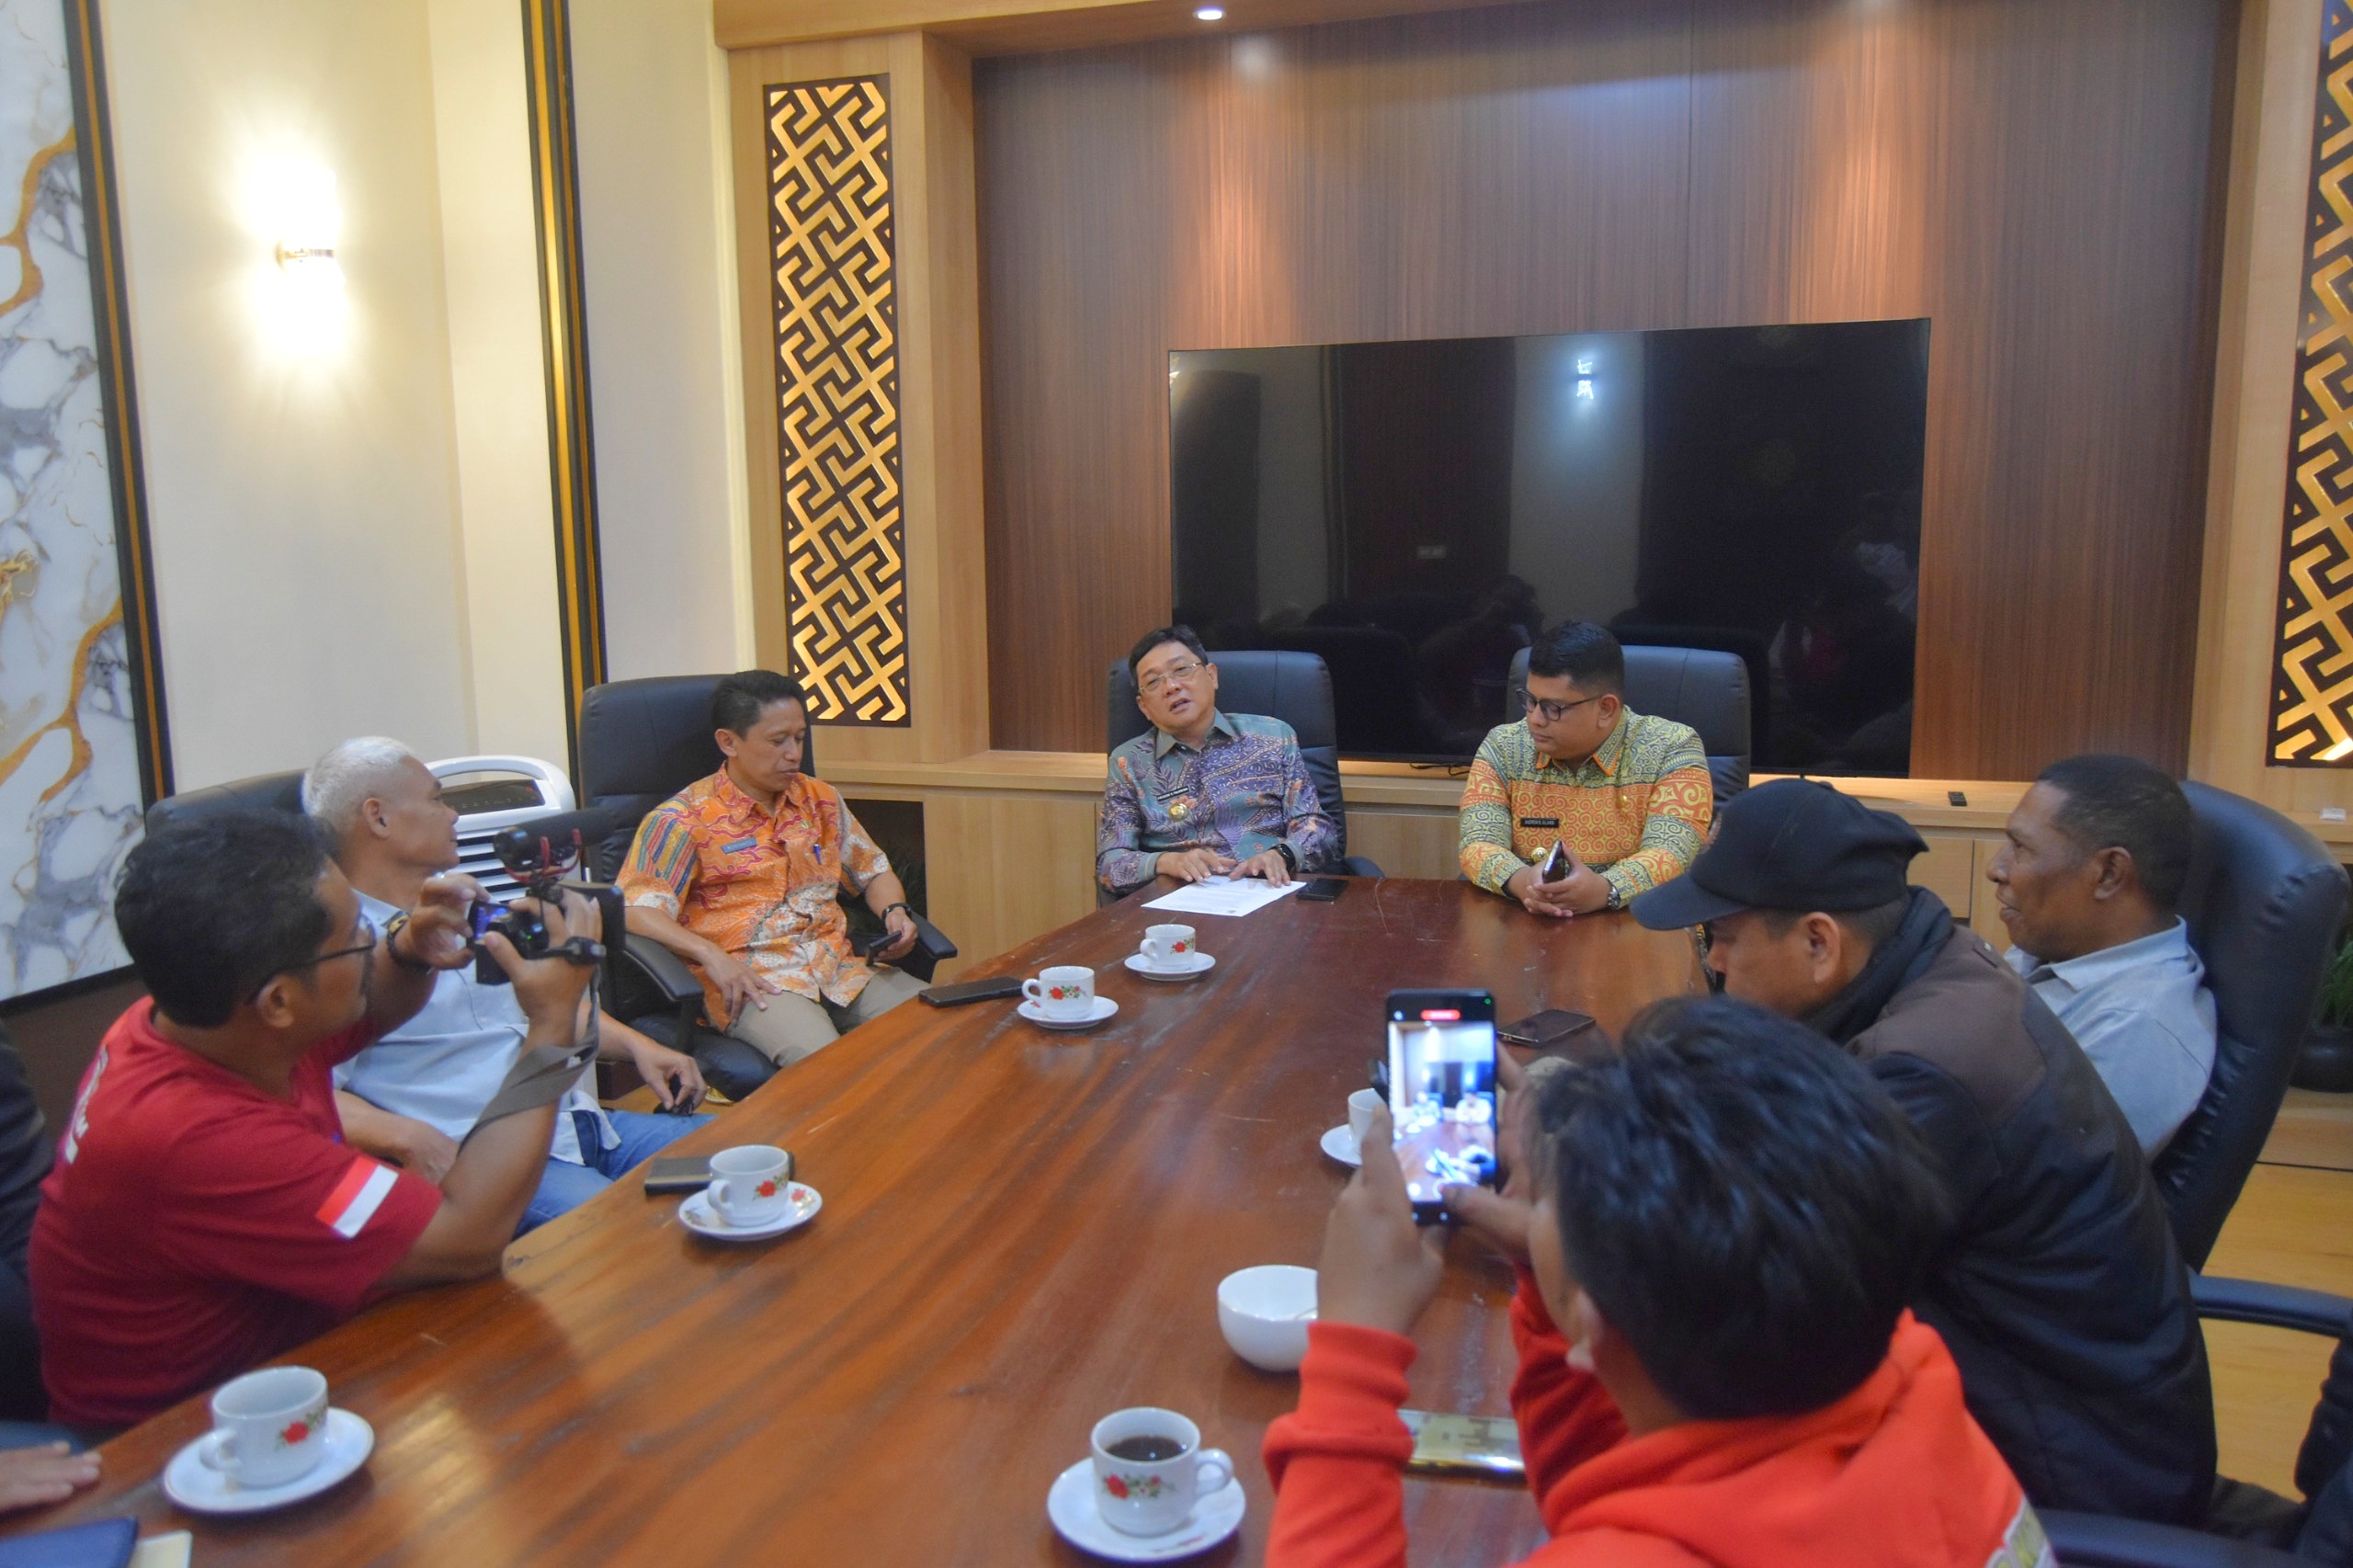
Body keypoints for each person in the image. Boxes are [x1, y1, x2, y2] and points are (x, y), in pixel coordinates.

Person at [1267, 996, 2052, 1568]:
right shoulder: (1902, 1363)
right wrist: (1555, 1278)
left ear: (1597, 1325)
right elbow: (1615, 1492)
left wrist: (1354, 1351)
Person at [1631, 779, 2214, 1524]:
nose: (1714, 963)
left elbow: (1747, 1273)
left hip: (2060, 1468)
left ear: (1819, 944)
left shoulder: (1924, 1072)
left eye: (1723, 937)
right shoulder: (1936, 960)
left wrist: (1558, 1201)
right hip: (2027, 1397)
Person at [31, 810, 594, 1429]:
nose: (373, 942)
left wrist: (409, 948)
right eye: (359, 935)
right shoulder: (194, 1137)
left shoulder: (203, 1019)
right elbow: (466, 1240)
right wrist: (551, 1027)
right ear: (279, 1001)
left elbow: (364, 1008)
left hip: (313, 1353)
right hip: (186, 1443)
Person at [303, 738, 712, 1233]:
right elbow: (311, 1093)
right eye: (436, 799)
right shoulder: (339, 951)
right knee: (634, 1240)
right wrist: (406, 1136)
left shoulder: (461, 906)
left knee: (755, 1152)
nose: (453, 815)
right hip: (486, 1162)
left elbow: (542, 1007)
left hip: (575, 1125)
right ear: (379, 817)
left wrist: (637, 1046)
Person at [620, 670, 924, 1069]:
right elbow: (635, 909)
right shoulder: (682, 819)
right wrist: (709, 954)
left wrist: (894, 911)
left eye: (799, 738)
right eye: (778, 741)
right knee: (830, 1070)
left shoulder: (819, 799)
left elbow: (873, 870)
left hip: (839, 967)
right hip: (754, 981)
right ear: (729, 742)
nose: (794, 754)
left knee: (943, 1032)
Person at [1988, 755, 2216, 1156]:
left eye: (2021, 848)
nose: (1996, 868)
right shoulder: (2058, 945)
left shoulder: (2135, 1034)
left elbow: (2024, 1178)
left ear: (2109, 873)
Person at [1459, 620, 1711, 917]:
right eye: (1530, 701)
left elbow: (1672, 853)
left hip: (1638, 923)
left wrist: (1606, 889)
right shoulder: (1503, 746)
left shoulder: (1674, 748)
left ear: (1605, 709)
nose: (1535, 719)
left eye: (1553, 707)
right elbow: (1477, 844)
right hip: (1528, 920)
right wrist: (1523, 881)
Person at [1097, 626, 1340, 896]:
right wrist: (1165, 862)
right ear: (1144, 706)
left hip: (1273, 892)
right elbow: (1110, 866)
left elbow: (1321, 832)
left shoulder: (1273, 737)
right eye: (1154, 682)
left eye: (1182, 670)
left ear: (1212, 676)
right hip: (1183, 901)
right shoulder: (1129, 763)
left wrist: (1283, 855)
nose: (1171, 687)